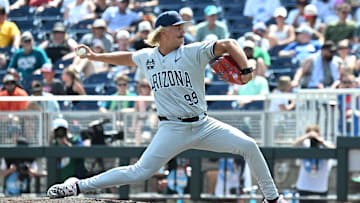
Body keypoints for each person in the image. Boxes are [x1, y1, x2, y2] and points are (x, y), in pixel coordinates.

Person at [47, 10, 286, 203]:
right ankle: (77, 185)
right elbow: (126, 57)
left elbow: (230, 43)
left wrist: (246, 71)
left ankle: (273, 199)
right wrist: (95, 57)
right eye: (177, 27)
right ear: (163, 33)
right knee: (139, 172)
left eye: (183, 26)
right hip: (172, 129)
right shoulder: (148, 57)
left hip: (203, 125)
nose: (183, 30)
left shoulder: (193, 51)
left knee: (249, 145)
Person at [293, 124, 335, 203]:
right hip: (304, 187)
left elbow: (333, 150)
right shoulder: (305, 145)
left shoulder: (325, 144)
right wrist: (306, 137)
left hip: (320, 188)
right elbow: (294, 145)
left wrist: (320, 141)